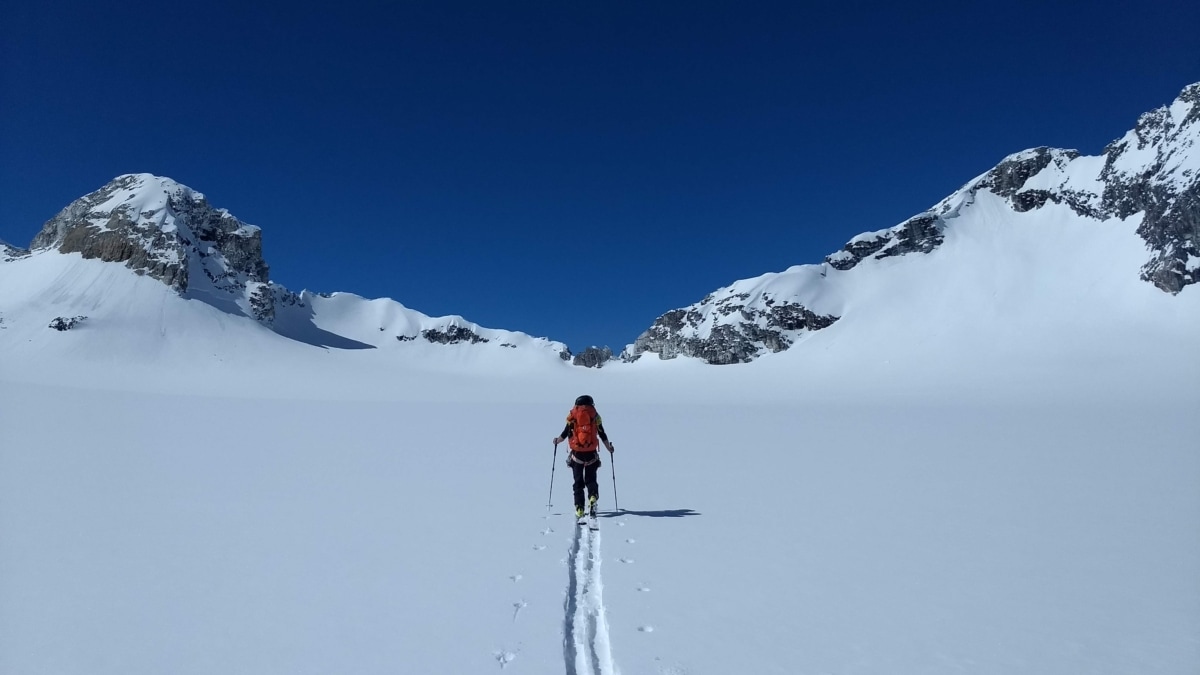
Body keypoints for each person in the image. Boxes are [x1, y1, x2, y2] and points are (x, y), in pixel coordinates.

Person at [553, 394, 615, 519]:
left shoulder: (573, 415)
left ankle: (579, 507)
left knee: (578, 482)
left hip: (577, 454)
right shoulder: (595, 416)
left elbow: (565, 433)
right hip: (591, 452)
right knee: (591, 479)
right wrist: (609, 447)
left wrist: (557, 441)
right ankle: (592, 496)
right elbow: (602, 434)